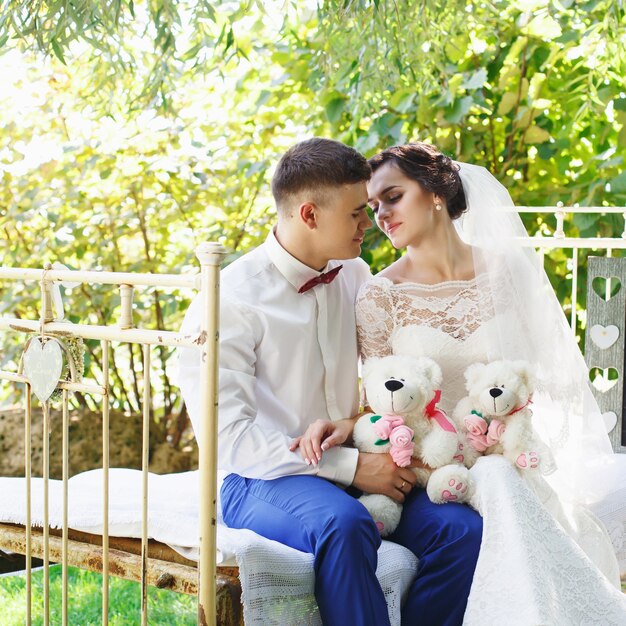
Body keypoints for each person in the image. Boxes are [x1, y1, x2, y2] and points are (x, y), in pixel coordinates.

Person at [297, 142, 626, 624]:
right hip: (429, 468)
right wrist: (352, 427)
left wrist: (506, 432)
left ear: (433, 192)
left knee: (500, 479)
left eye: (392, 197)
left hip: (501, 456)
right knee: (483, 503)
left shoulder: (508, 271)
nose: (381, 216)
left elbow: (539, 376)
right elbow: (381, 401)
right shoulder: (380, 294)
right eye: (372, 208)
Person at [179, 138, 483, 626]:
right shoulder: (229, 300)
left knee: (462, 530)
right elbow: (228, 440)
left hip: (358, 459)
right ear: (309, 214)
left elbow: (383, 380)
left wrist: (365, 439)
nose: (372, 223)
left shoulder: (355, 273)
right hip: (259, 477)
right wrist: (351, 467)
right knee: (344, 525)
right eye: (358, 213)